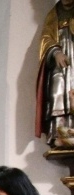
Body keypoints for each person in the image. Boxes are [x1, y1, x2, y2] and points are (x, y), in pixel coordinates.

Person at [37, 0, 74, 147]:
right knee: (57, 94)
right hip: (60, 63)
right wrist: (56, 52)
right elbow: (45, 39)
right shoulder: (54, 13)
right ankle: (58, 133)